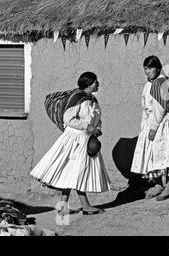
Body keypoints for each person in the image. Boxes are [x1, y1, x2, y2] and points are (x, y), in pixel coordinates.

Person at [30, 72, 110, 215]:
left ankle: (62, 208)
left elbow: (97, 118)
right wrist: (88, 127)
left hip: (86, 140)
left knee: (70, 173)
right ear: (90, 84)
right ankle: (86, 207)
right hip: (74, 140)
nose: (98, 84)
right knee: (78, 172)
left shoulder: (92, 100)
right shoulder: (77, 98)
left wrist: (97, 128)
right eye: (96, 82)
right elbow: (68, 119)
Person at [131, 55, 169, 200]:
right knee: (152, 155)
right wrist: (144, 126)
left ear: (158, 68)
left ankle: (168, 186)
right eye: (145, 68)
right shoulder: (149, 84)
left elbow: (160, 108)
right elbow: (145, 107)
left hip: (161, 124)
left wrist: (154, 127)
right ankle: (157, 184)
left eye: (150, 68)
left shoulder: (161, 84)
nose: (147, 71)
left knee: (164, 154)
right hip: (150, 123)